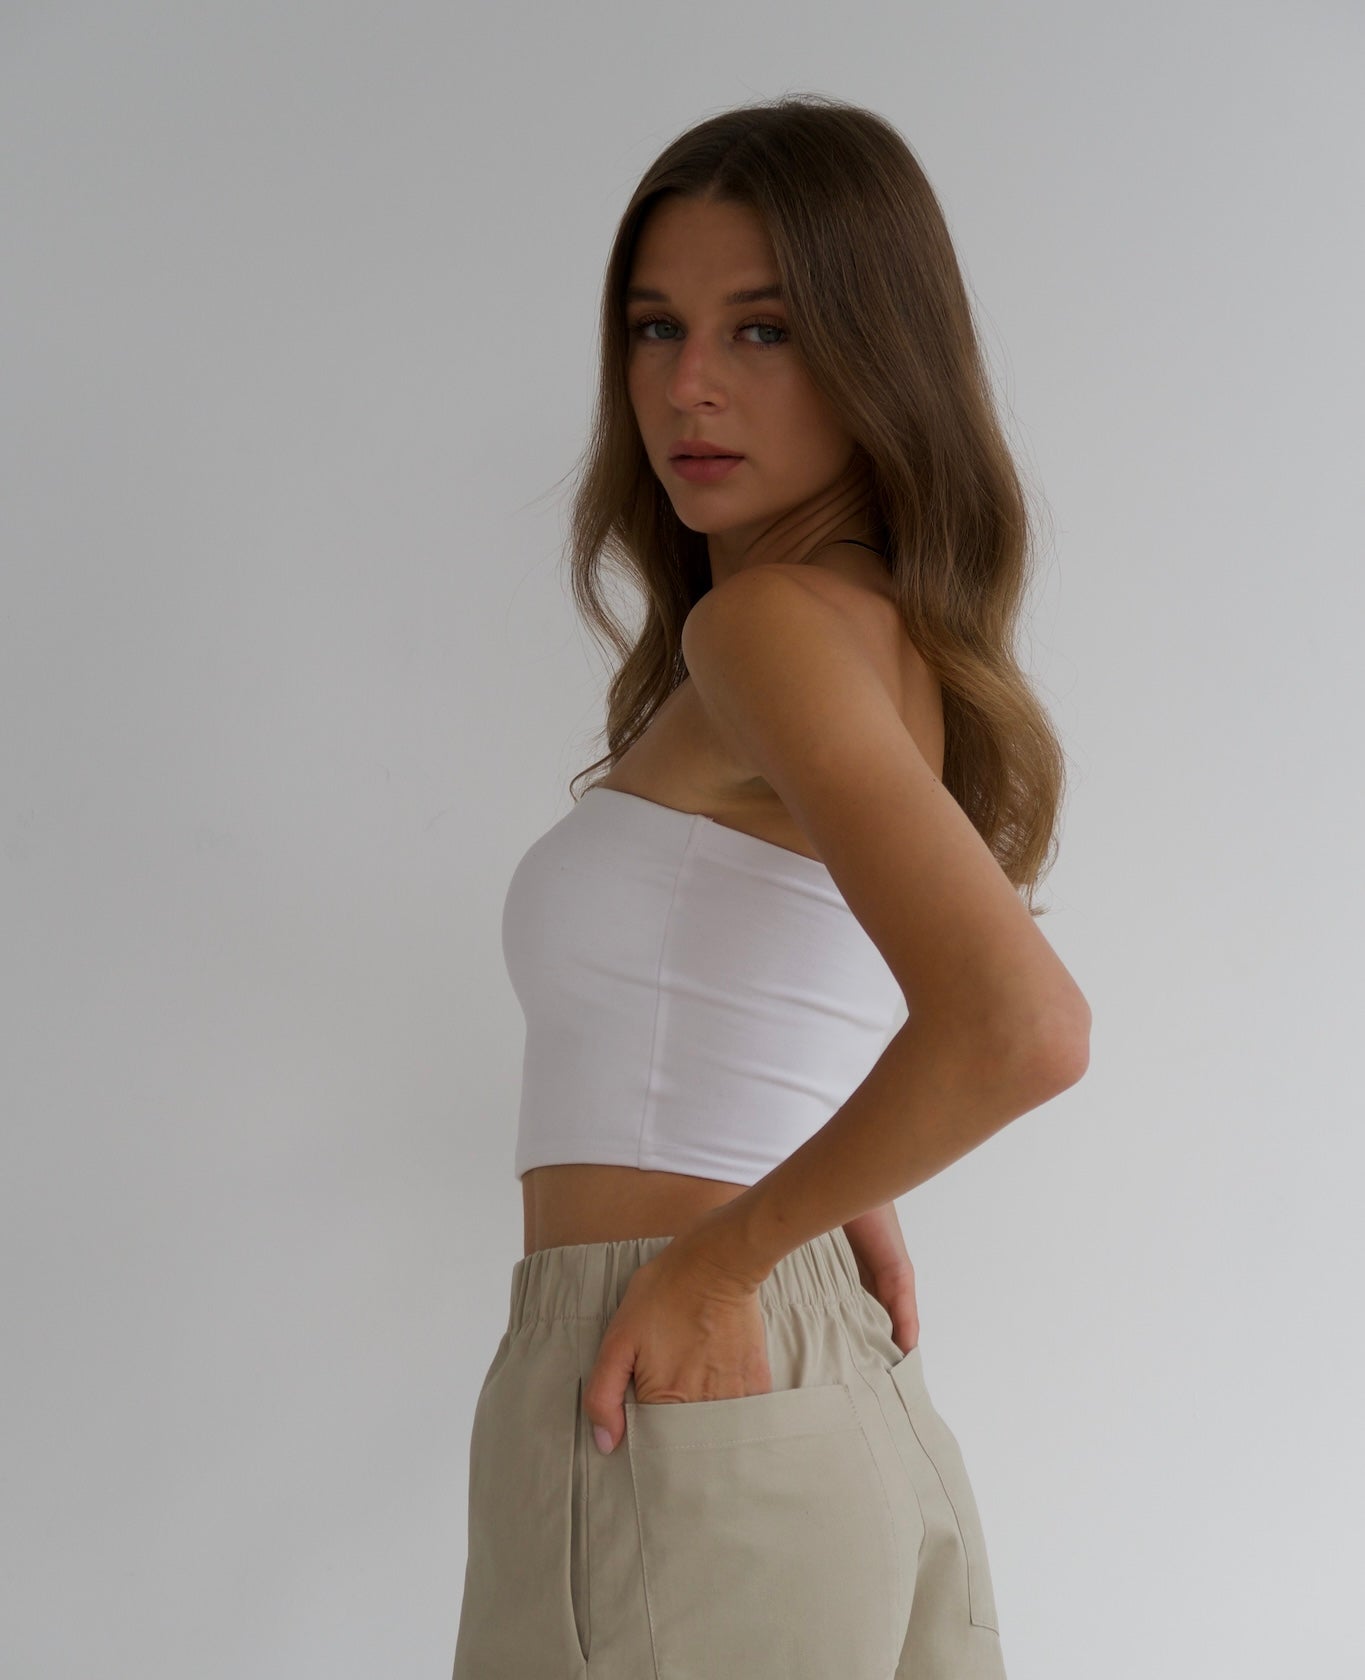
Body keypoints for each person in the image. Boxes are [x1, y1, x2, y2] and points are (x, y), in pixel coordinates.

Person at [451, 92, 1091, 1680]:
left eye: (764, 330)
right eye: (654, 327)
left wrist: (728, 1255)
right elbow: (784, 958)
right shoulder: (876, 632)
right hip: (814, 1396)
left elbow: (1020, 1026)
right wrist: (818, 1192)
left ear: (878, 352)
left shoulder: (766, 629)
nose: (689, 384)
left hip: (674, 1370)